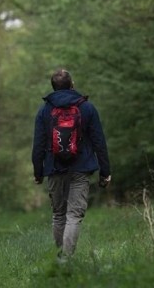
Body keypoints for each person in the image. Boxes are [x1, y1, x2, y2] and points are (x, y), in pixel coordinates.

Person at [32, 68, 111, 260]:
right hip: (81, 168)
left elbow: (39, 145)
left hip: (54, 167)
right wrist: (105, 171)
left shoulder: (45, 110)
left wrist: (38, 172)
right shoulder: (87, 108)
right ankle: (66, 260)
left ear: (53, 87)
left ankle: (60, 257)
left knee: (59, 215)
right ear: (72, 84)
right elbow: (99, 142)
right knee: (74, 216)